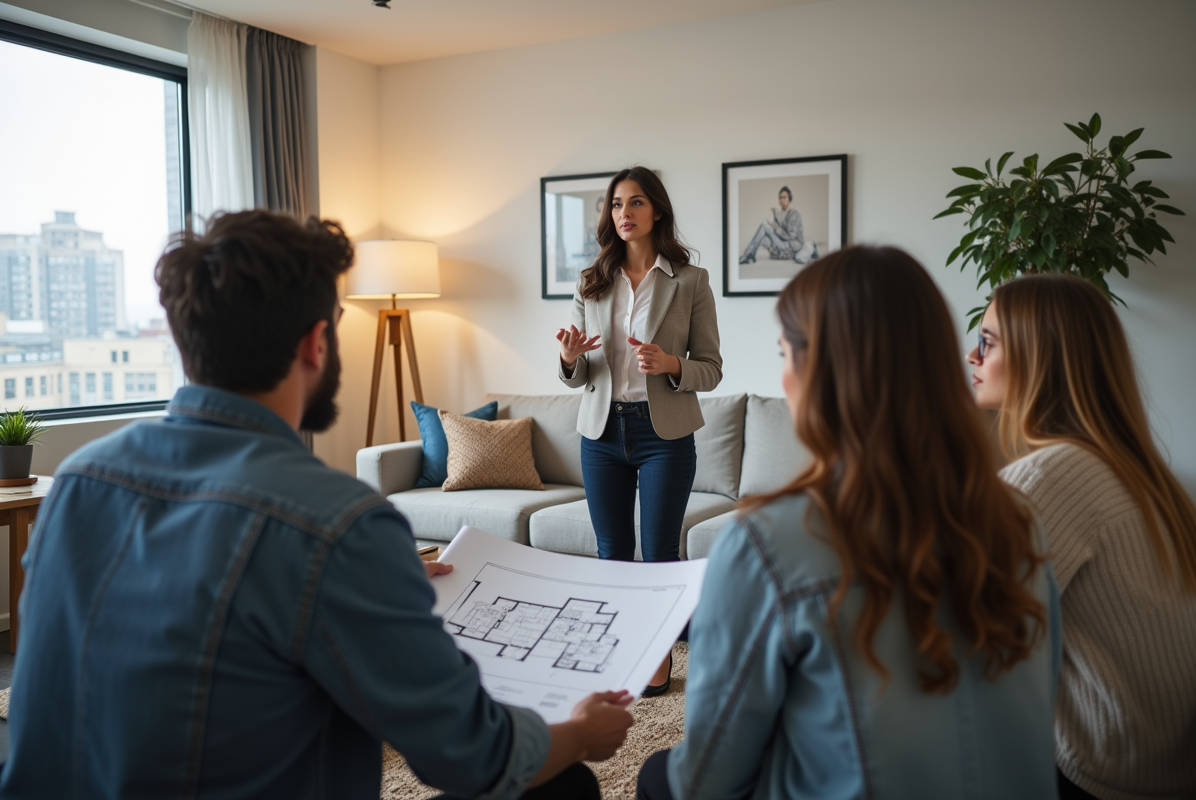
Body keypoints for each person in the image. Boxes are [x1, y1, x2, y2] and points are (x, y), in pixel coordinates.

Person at [0, 210, 633, 800]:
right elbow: (471, 755)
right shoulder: (335, 522)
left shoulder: (80, 479)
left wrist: (374, 579)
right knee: (564, 784)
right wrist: (578, 731)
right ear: (314, 343)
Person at [637, 245, 1061, 800]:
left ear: (822, 372)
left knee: (655, 777)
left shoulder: (765, 544)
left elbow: (706, 781)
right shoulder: (1020, 518)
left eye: (785, 354)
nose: (783, 378)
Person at [967, 274, 1196, 800]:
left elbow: (960, 635)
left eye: (988, 341)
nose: (971, 356)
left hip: (1102, 775)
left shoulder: (1050, 478)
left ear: (1039, 357)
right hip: (1170, 767)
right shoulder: (1141, 474)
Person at [556, 166, 721, 696]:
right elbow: (580, 374)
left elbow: (712, 368)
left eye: (636, 203)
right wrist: (567, 358)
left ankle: (657, 658)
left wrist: (672, 363)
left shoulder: (690, 281)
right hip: (600, 434)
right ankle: (620, 652)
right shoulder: (591, 281)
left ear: (657, 212)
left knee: (659, 555)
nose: (624, 214)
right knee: (612, 556)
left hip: (663, 435)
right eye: (617, 205)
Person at [737, 185, 814, 265]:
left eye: (784, 197)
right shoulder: (781, 213)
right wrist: (775, 217)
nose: (781, 200)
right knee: (763, 238)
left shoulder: (794, 215)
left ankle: (747, 255)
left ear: (790, 199)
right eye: (780, 198)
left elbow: (790, 237)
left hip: (792, 247)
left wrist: (773, 224)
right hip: (784, 244)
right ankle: (751, 255)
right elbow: (780, 232)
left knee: (764, 226)